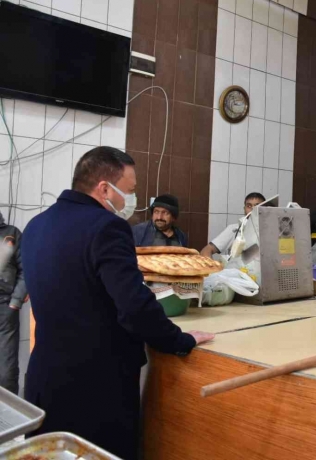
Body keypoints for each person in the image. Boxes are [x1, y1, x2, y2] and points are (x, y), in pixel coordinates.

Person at [21, 146, 214, 459]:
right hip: (96, 392)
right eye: (131, 190)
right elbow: (134, 305)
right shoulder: (108, 228)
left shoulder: (36, 225)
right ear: (104, 188)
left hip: (45, 380)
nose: (133, 200)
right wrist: (179, 340)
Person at [0, 211, 26, 394]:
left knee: (6, 371)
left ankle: (10, 417)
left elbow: (26, 269)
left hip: (5, 308)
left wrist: (15, 302)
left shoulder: (11, 234)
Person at [201, 192, 266, 258]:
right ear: (244, 209)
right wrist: (213, 266)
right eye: (249, 206)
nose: (252, 210)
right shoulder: (234, 229)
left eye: (257, 206)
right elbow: (206, 250)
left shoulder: (273, 230)